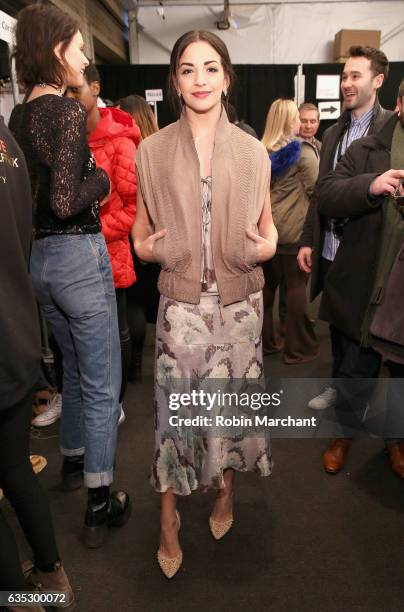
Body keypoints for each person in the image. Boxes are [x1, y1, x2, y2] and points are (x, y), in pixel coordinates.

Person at [132, 30, 277, 578]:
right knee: (175, 416)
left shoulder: (252, 151)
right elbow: (141, 235)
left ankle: (225, 492)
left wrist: (268, 247)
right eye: (188, 69)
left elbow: (267, 232)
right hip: (181, 309)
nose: (200, 80)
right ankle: (168, 519)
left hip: (241, 308)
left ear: (227, 76)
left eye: (210, 68)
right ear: (174, 80)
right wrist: (151, 248)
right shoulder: (152, 149)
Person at [9, 4, 130, 549]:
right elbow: (63, 201)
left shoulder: (18, 115)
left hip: (39, 265)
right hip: (78, 255)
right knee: (103, 382)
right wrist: (102, 181)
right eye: (80, 47)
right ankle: (101, 500)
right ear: (58, 51)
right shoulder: (62, 111)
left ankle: (74, 459)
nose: (85, 57)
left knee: (76, 368)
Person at [315, 75, 404, 476]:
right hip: (366, 286)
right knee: (356, 370)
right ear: (400, 102)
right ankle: (344, 436)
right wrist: (371, 185)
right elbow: (327, 194)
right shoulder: (366, 147)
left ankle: (398, 440)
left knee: (403, 377)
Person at [0, 118, 73, 611]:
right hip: (16, 331)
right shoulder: (7, 144)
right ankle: (51, 574)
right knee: (14, 467)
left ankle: (19, 599)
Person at [297, 46, 393, 419]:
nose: (347, 83)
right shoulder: (335, 132)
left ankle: (358, 405)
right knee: (336, 325)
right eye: (345, 76)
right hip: (330, 247)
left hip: (368, 251)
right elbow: (320, 193)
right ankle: (339, 389)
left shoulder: (390, 130)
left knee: (362, 334)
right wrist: (309, 238)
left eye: (356, 76)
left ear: (378, 81)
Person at [68, 64, 141, 410]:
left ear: (95, 88)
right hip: (73, 258)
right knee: (80, 337)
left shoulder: (120, 141)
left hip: (110, 255)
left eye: (76, 90)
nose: (70, 98)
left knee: (115, 334)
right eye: (65, 91)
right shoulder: (67, 136)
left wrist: (92, 230)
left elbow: (132, 208)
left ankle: (117, 402)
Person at [261, 98, 319, 363]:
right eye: (297, 117)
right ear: (287, 121)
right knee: (296, 288)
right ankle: (297, 349)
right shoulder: (302, 151)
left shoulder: (259, 151)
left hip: (266, 231)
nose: (301, 122)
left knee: (267, 291)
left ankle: (266, 344)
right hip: (295, 232)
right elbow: (317, 193)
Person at [118, 94, 161, 382]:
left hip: (129, 234)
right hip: (160, 235)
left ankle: (133, 366)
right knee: (160, 301)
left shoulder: (123, 148)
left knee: (133, 302)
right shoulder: (161, 148)